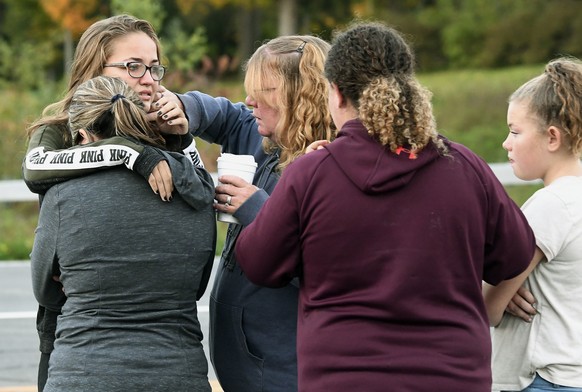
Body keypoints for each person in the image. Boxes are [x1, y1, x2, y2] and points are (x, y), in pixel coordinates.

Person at [234, 21, 536, 391]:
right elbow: (516, 253)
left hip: (344, 379)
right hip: (453, 377)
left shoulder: (312, 173)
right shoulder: (464, 166)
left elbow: (259, 262)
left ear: (337, 93)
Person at [22, 14, 215, 391]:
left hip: (164, 337)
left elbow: (202, 193)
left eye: (154, 68)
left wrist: (185, 138)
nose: (148, 78)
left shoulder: (164, 129)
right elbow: (34, 167)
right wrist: (132, 153)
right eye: (133, 66)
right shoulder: (62, 127)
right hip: (69, 324)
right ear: (94, 69)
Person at [165, 35, 333, 391]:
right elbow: (224, 114)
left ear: (302, 96)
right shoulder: (261, 134)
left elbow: (326, 270)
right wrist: (183, 106)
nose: (250, 100)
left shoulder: (327, 167)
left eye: (265, 91)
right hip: (248, 368)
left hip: (286, 373)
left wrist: (257, 210)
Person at [482, 57, 582, 391]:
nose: (505, 143)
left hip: (542, 380)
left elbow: (487, 307)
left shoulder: (550, 205)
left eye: (514, 132)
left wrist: (498, 289)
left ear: (552, 137)